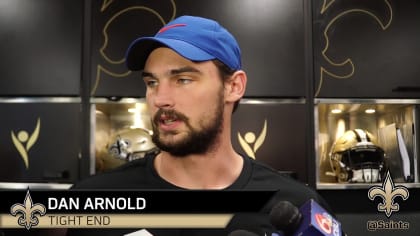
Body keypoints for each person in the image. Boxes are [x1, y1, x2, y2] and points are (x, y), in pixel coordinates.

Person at [66, 15, 334, 236]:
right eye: (151, 83)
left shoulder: (295, 207)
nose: (160, 99)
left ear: (233, 86)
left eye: (183, 79)